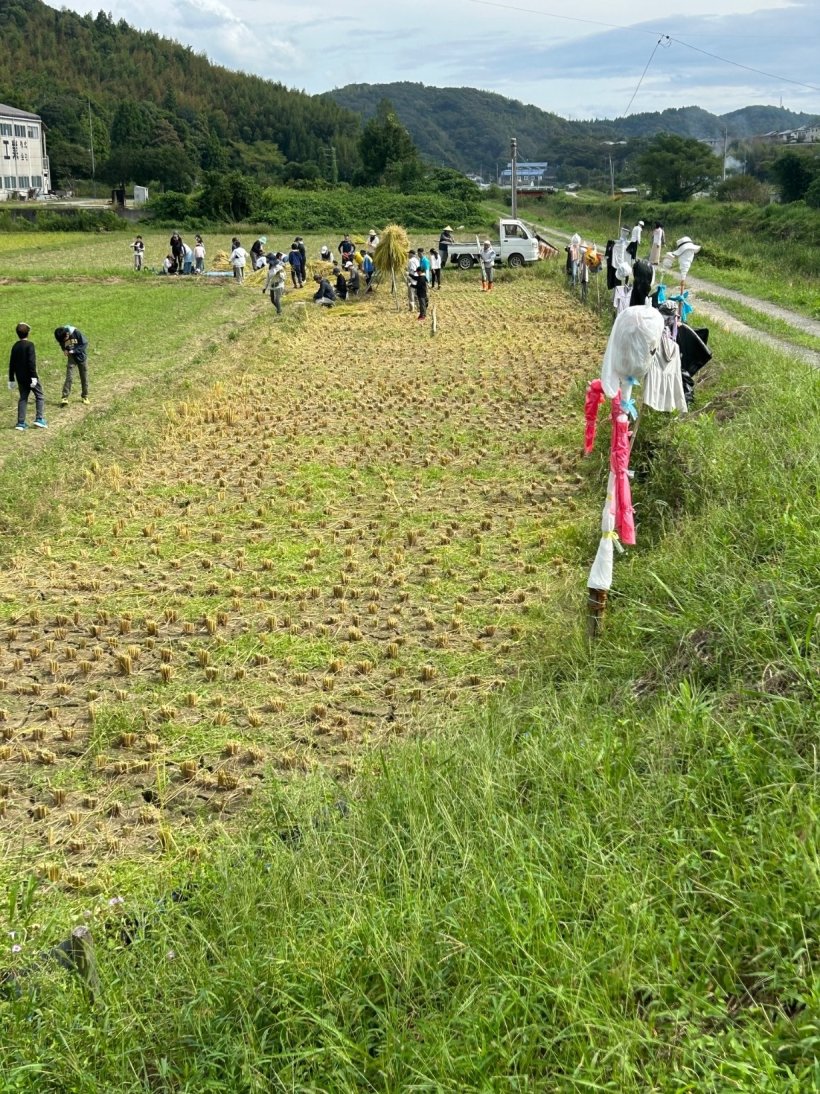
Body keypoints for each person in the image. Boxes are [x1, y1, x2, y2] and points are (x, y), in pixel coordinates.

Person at [9, 322, 46, 430]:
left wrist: (11, 379)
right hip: (30, 377)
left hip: (20, 378)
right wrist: (34, 377)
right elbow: (31, 362)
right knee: (39, 396)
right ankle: (39, 419)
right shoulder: (30, 345)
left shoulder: (15, 346)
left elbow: (12, 363)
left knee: (23, 398)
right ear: (28, 333)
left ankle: (20, 423)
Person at [54, 325, 90, 406]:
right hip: (71, 358)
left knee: (84, 377)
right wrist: (65, 350)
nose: (63, 341)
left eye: (64, 339)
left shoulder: (76, 332)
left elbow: (85, 344)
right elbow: (62, 344)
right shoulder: (61, 336)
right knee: (69, 377)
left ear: (67, 334)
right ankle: (64, 397)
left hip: (81, 357)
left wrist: (74, 351)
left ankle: (85, 396)